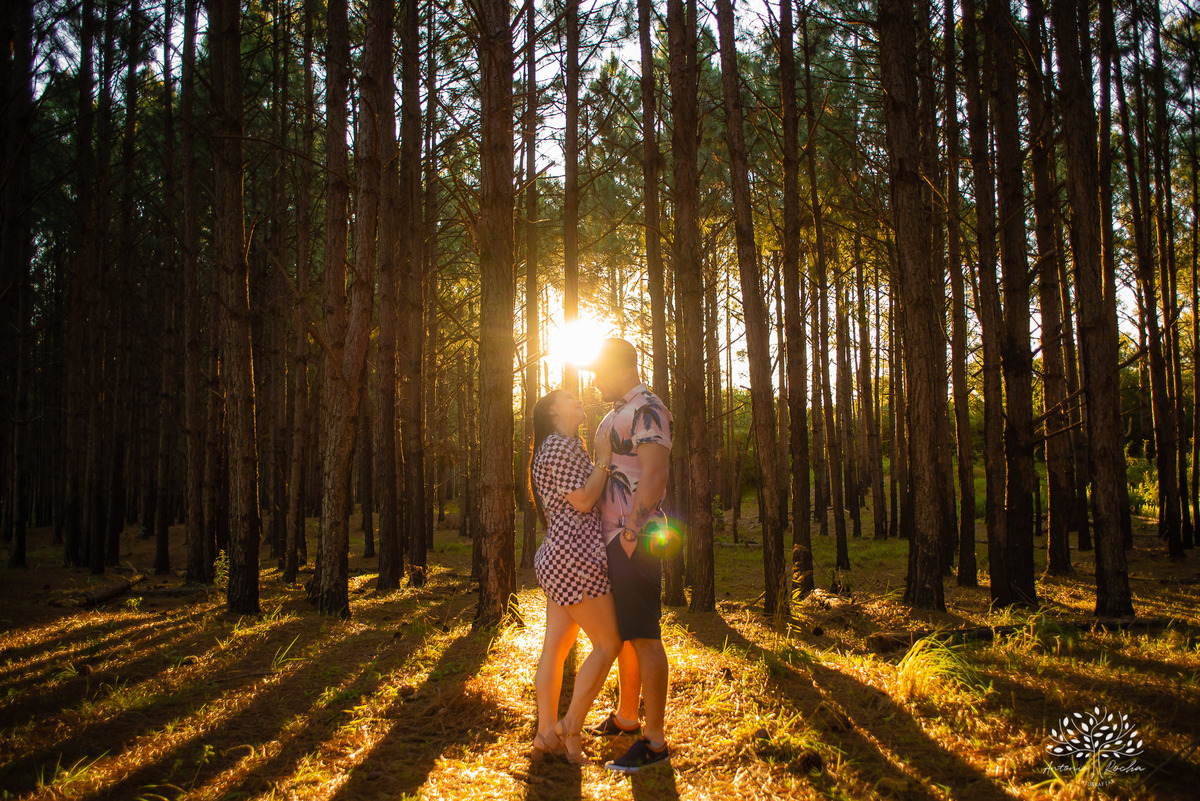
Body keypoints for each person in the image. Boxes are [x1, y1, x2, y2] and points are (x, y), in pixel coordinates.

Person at [584, 338, 674, 774]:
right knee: (625, 634)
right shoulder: (617, 410)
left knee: (644, 635)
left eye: (598, 371)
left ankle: (654, 742)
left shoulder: (647, 407)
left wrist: (633, 530)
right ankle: (626, 717)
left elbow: (655, 473)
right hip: (611, 538)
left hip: (633, 536)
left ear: (619, 368)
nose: (594, 380)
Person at [527, 388, 624, 765]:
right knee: (608, 643)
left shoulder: (564, 445)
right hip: (575, 557)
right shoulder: (558, 447)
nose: (579, 397)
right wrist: (603, 461)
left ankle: (546, 737)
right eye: (568, 397)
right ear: (553, 410)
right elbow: (584, 500)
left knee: (556, 649)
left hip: (562, 555)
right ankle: (570, 727)